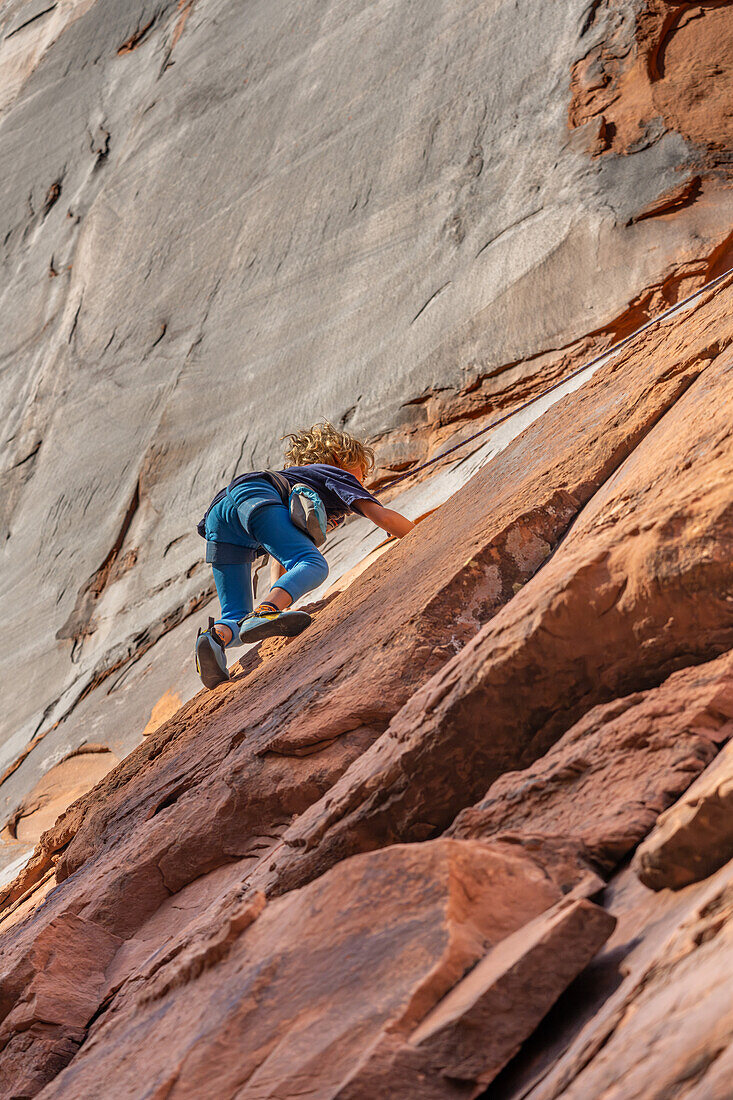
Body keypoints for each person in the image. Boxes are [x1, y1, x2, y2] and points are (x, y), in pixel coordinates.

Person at [194, 421, 414, 688]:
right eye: (361, 472)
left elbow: (281, 557)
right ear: (338, 458)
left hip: (220, 516)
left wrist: (284, 600)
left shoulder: (301, 479)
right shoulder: (335, 474)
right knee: (313, 564)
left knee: (237, 617)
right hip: (254, 495)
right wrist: (420, 531)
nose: (363, 480)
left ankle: (214, 638)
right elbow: (381, 515)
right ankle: (265, 611)